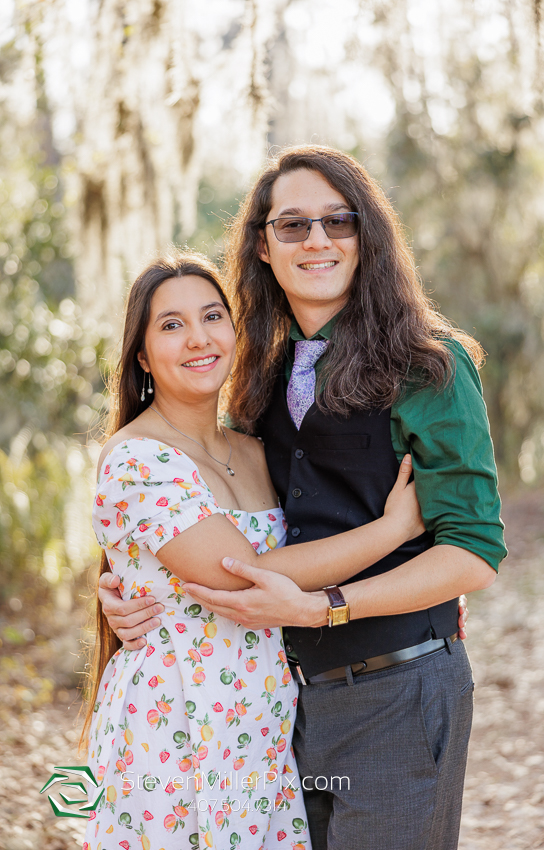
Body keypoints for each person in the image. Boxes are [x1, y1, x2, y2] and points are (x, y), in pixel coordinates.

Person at [99, 145, 506, 850]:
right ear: (262, 245)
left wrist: (327, 608)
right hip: (278, 710)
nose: (316, 240)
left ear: (366, 235)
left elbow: (472, 554)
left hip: (396, 688)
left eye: (337, 221)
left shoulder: (428, 366)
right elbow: (227, 531)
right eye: (292, 225)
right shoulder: (260, 378)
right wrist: (135, 585)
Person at [83, 249, 439, 850]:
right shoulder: (136, 458)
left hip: (263, 719)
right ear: (142, 354)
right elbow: (240, 576)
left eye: (212, 316)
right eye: (171, 325)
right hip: (173, 721)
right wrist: (393, 530)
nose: (198, 337)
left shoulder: (253, 447)